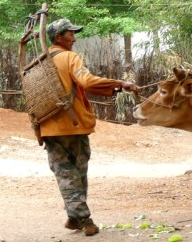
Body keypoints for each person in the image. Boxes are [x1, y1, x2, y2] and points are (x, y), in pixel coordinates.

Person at [40, 18, 140, 237]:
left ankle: (74, 217)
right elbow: (87, 82)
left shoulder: (40, 61)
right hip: (72, 125)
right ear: (58, 37)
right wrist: (120, 84)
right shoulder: (69, 57)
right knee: (74, 174)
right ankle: (85, 220)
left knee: (66, 173)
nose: (74, 38)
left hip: (48, 127)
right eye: (70, 34)